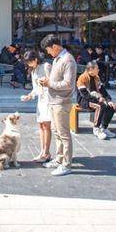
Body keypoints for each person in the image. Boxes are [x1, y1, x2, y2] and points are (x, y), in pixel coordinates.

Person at [38, 34, 76, 176]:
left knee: (64, 134)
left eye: (48, 50)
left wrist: (50, 83)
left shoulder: (68, 60)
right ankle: (59, 159)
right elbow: (56, 80)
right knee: (56, 132)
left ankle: (66, 164)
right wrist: (47, 81)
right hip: (54, 101)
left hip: (62, 102)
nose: (48, 53)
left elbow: (68, 84)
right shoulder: (57, 59)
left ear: (54, 46)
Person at [20, 50, 52, 163]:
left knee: (47, 126)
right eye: (27, 63)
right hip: (41, 100)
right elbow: (36, 89)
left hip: (49, 99)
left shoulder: (46, 66)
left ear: (36, 59)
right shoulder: (33, 70)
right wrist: (29, 96)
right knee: (41, 126)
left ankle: (46, 153)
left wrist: (46, 82)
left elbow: (53, 82)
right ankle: (42, 151)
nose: (29, 64)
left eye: (30, 62)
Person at [77, 61, 116, 140]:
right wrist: (98, 99)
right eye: (97, 68)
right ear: (91, 69)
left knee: (111, 106)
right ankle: (96, 128)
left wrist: (109, 100)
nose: (98, 70)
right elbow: (84, 94)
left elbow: (103, 91)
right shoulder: (82, 78)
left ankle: (104, 127)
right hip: (84, 100)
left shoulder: (96, 77)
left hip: (95, 98)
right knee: (100, 106)